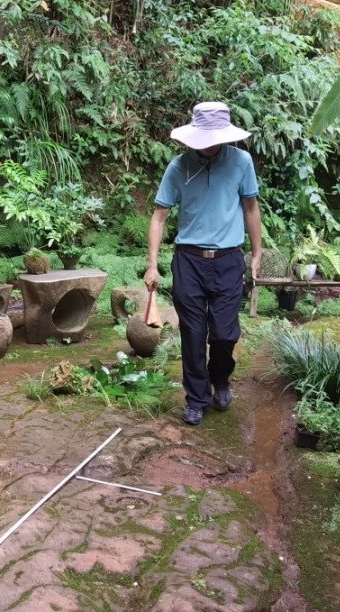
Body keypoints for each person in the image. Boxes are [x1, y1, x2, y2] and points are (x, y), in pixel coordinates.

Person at [143, 102, 263, 426]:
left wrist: (256, 252)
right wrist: (152, 264)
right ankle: (197, 398)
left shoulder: (241, 162)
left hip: (227, 260)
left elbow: (251, 208)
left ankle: (220, 378)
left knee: (224, 334)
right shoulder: (178, 167)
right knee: (194, 334)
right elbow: (159, 217)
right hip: (189, 262)